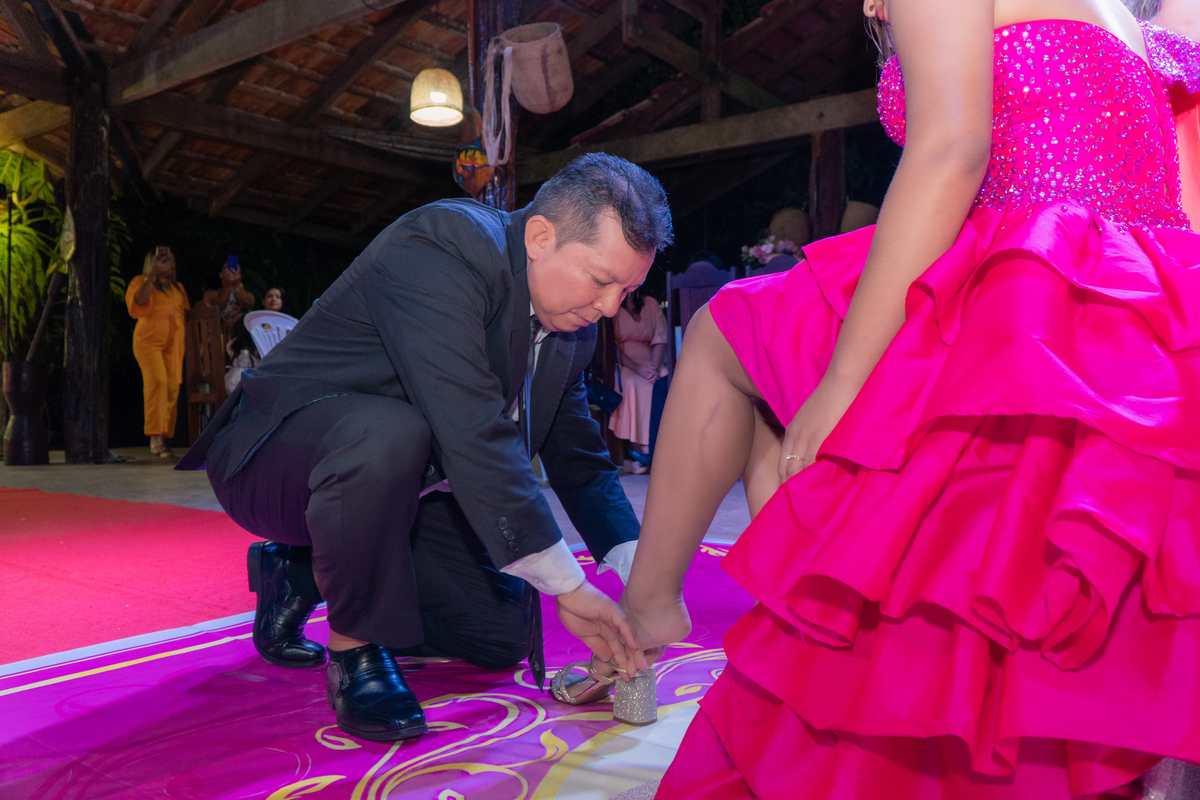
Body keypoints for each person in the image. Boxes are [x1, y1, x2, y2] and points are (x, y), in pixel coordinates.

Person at [615, 0, 1200, 796]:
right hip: (1140, 294)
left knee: (729, 328)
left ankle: (663, 612)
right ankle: (797, 631)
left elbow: (952, 148)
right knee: (764, 359)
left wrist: (845, 381)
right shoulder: (1121, 13)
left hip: (1029, 277)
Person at [177, 153, 669, 743]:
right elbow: (472, 428)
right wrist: (569, 585)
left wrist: (645, 578)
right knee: (391, 431)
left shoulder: (573, 331)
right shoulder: (444, 247)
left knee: (500, 635)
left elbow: (581, 463)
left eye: (627, 289)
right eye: (601, 280)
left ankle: (302, 571)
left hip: (400, 489)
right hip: (277, 456)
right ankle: (355, 649)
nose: (611, 307)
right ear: (541, 237)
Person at [126, 247, 190, 458]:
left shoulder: (178, 288)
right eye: (164, 260)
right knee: (158, 383)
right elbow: (140, 302)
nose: (171, 264)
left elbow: (185, 314)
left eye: (172, 260)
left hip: (174, 344)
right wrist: (151, 275)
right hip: (148, 342)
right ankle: (155, 437)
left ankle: (163, 435)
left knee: (172, 387)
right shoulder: (141, 281)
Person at [609, 290, 668, 474]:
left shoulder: (650, 303)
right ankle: (643, 450)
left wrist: (653, 368)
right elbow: (613, 347)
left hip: (651, 363)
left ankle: (668, 445)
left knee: (667, 380)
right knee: (638, 385)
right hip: (625, 364)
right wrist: (639, 370)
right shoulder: (613, 305)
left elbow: (660, 338)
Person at [202, 259, 254, 341]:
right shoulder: (210, 294)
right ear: (221, 274)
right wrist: (227, 285)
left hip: (241, 339)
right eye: (227, 268)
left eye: (235, 268)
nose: (231, 271)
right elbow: (218, 308)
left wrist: (237, 284)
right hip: (218, 338)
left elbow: (245, 305)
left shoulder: (249, 296)